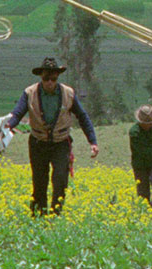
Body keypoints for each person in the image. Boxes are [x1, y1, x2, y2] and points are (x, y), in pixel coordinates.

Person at [6, 57, 99, 216]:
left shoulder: (68, 94)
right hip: (38, 143)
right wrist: (9, 125)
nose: (49, 82)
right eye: (46, 78)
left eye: (53, 79)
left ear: (57, 78)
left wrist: (93, 141)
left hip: (60, 143)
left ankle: (56, 213)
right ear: (41, 77)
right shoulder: (30, 93)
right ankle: (38, 216)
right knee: (39, 182)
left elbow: (82, 117)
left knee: (61, 179)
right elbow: (18, 112)